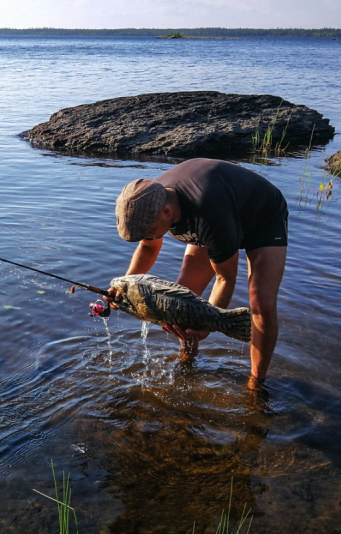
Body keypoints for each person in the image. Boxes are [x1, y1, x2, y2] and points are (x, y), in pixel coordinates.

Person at [108, 158, 288, 389]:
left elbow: (225, 278)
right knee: (180, 300)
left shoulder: (209, 214)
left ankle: (256, 382)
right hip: (214, 214)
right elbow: (148, 246)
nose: (148, 235)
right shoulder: (147, 200)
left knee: (261, 304)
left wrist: (209, 324)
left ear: (166, 212)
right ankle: (188, 359)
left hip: (262, 217)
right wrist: (123, 286)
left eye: (150, 230)